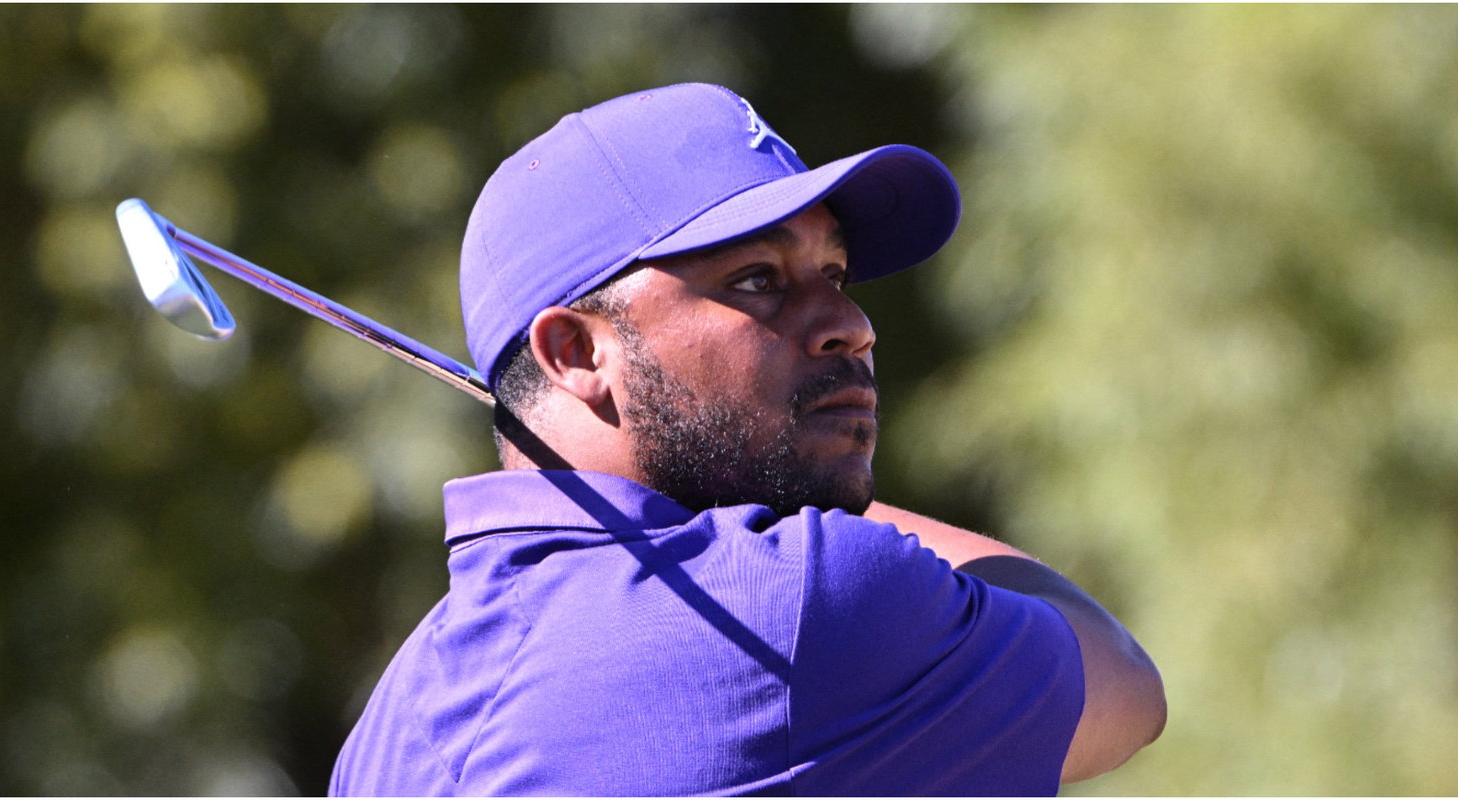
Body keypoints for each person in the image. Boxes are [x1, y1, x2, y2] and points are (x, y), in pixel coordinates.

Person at [329, 82, 1165, 796]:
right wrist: (822, 500)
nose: (851, 325)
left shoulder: (389, 724)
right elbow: (1122, 683)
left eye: (833, 274)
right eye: (758, 280)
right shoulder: (798, 601)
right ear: (578, 352)